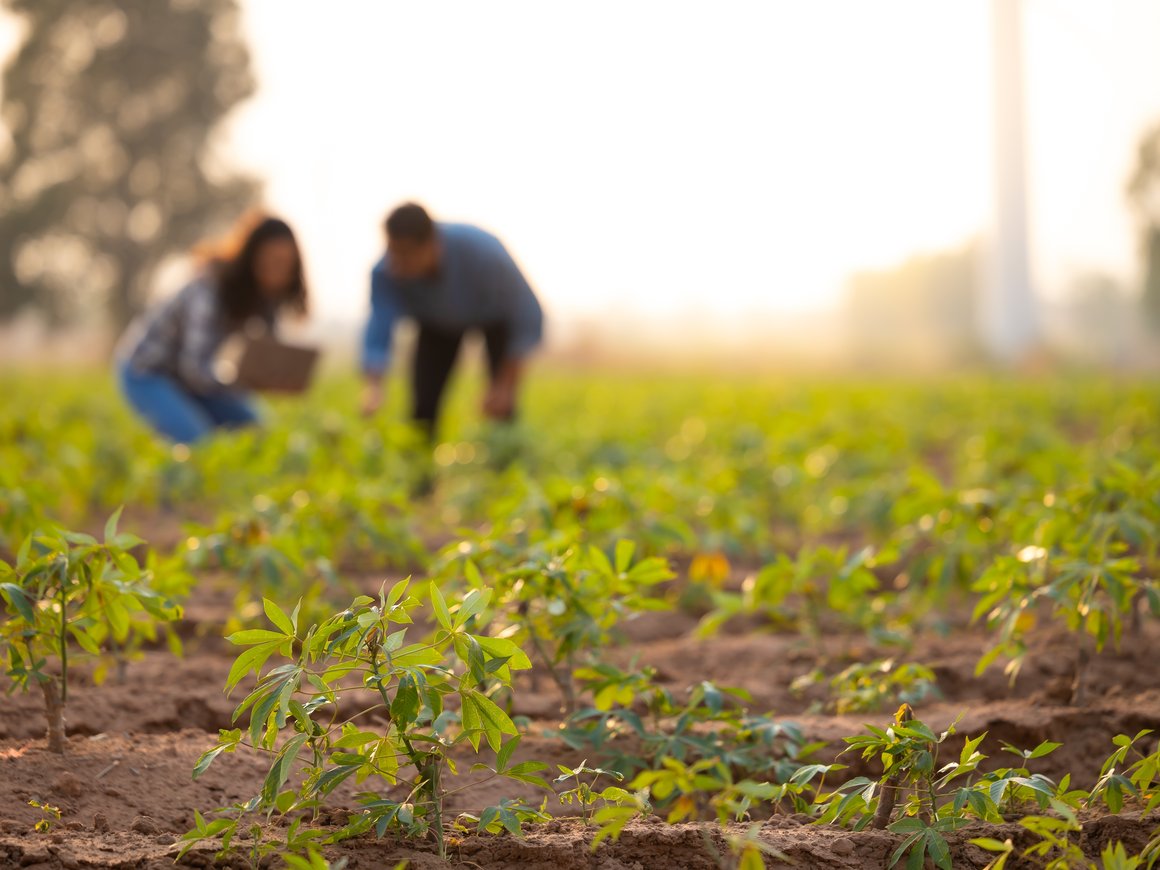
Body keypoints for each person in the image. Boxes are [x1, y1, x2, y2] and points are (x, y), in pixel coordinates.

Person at [116, 215, 309, 443]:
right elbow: (195, 369)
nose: (279, 272)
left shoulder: (265, 299)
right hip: (148, 371)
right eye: (273, 262)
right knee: (199, 443)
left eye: (286, 265)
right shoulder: (210, 289)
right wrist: (244, 380)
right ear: (252, 259)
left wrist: (279, 377)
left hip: (196, 379)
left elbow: (266, 354)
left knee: (261, 435)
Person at [360, 203, 544, 439]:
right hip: (435, 325)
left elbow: (526, 314)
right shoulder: (386, 271)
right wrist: (374, 387)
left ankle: (504, 464)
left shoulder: (482, 252)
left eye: (406, 255)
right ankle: (421, 470)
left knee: (502, 409)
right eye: (392, 252)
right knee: (422, 412)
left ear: (432, 244)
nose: (397, 265)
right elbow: (379, 324)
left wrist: (505, 385)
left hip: (495, 319)